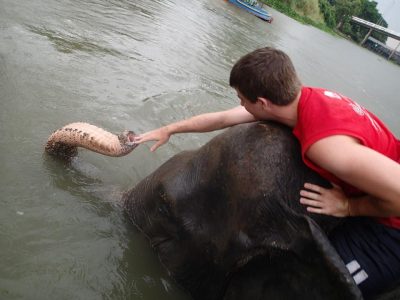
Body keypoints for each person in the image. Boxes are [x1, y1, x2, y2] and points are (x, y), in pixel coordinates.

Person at [134, 47, 400, 297]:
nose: (240, 104)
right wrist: (169, 129)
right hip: (376, 188)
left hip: (388, 229)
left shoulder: (325, 147)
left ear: (262, 103)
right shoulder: (301, 100)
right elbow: (224, 118)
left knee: (311, 291)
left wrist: (349, 207)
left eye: (241, 98)